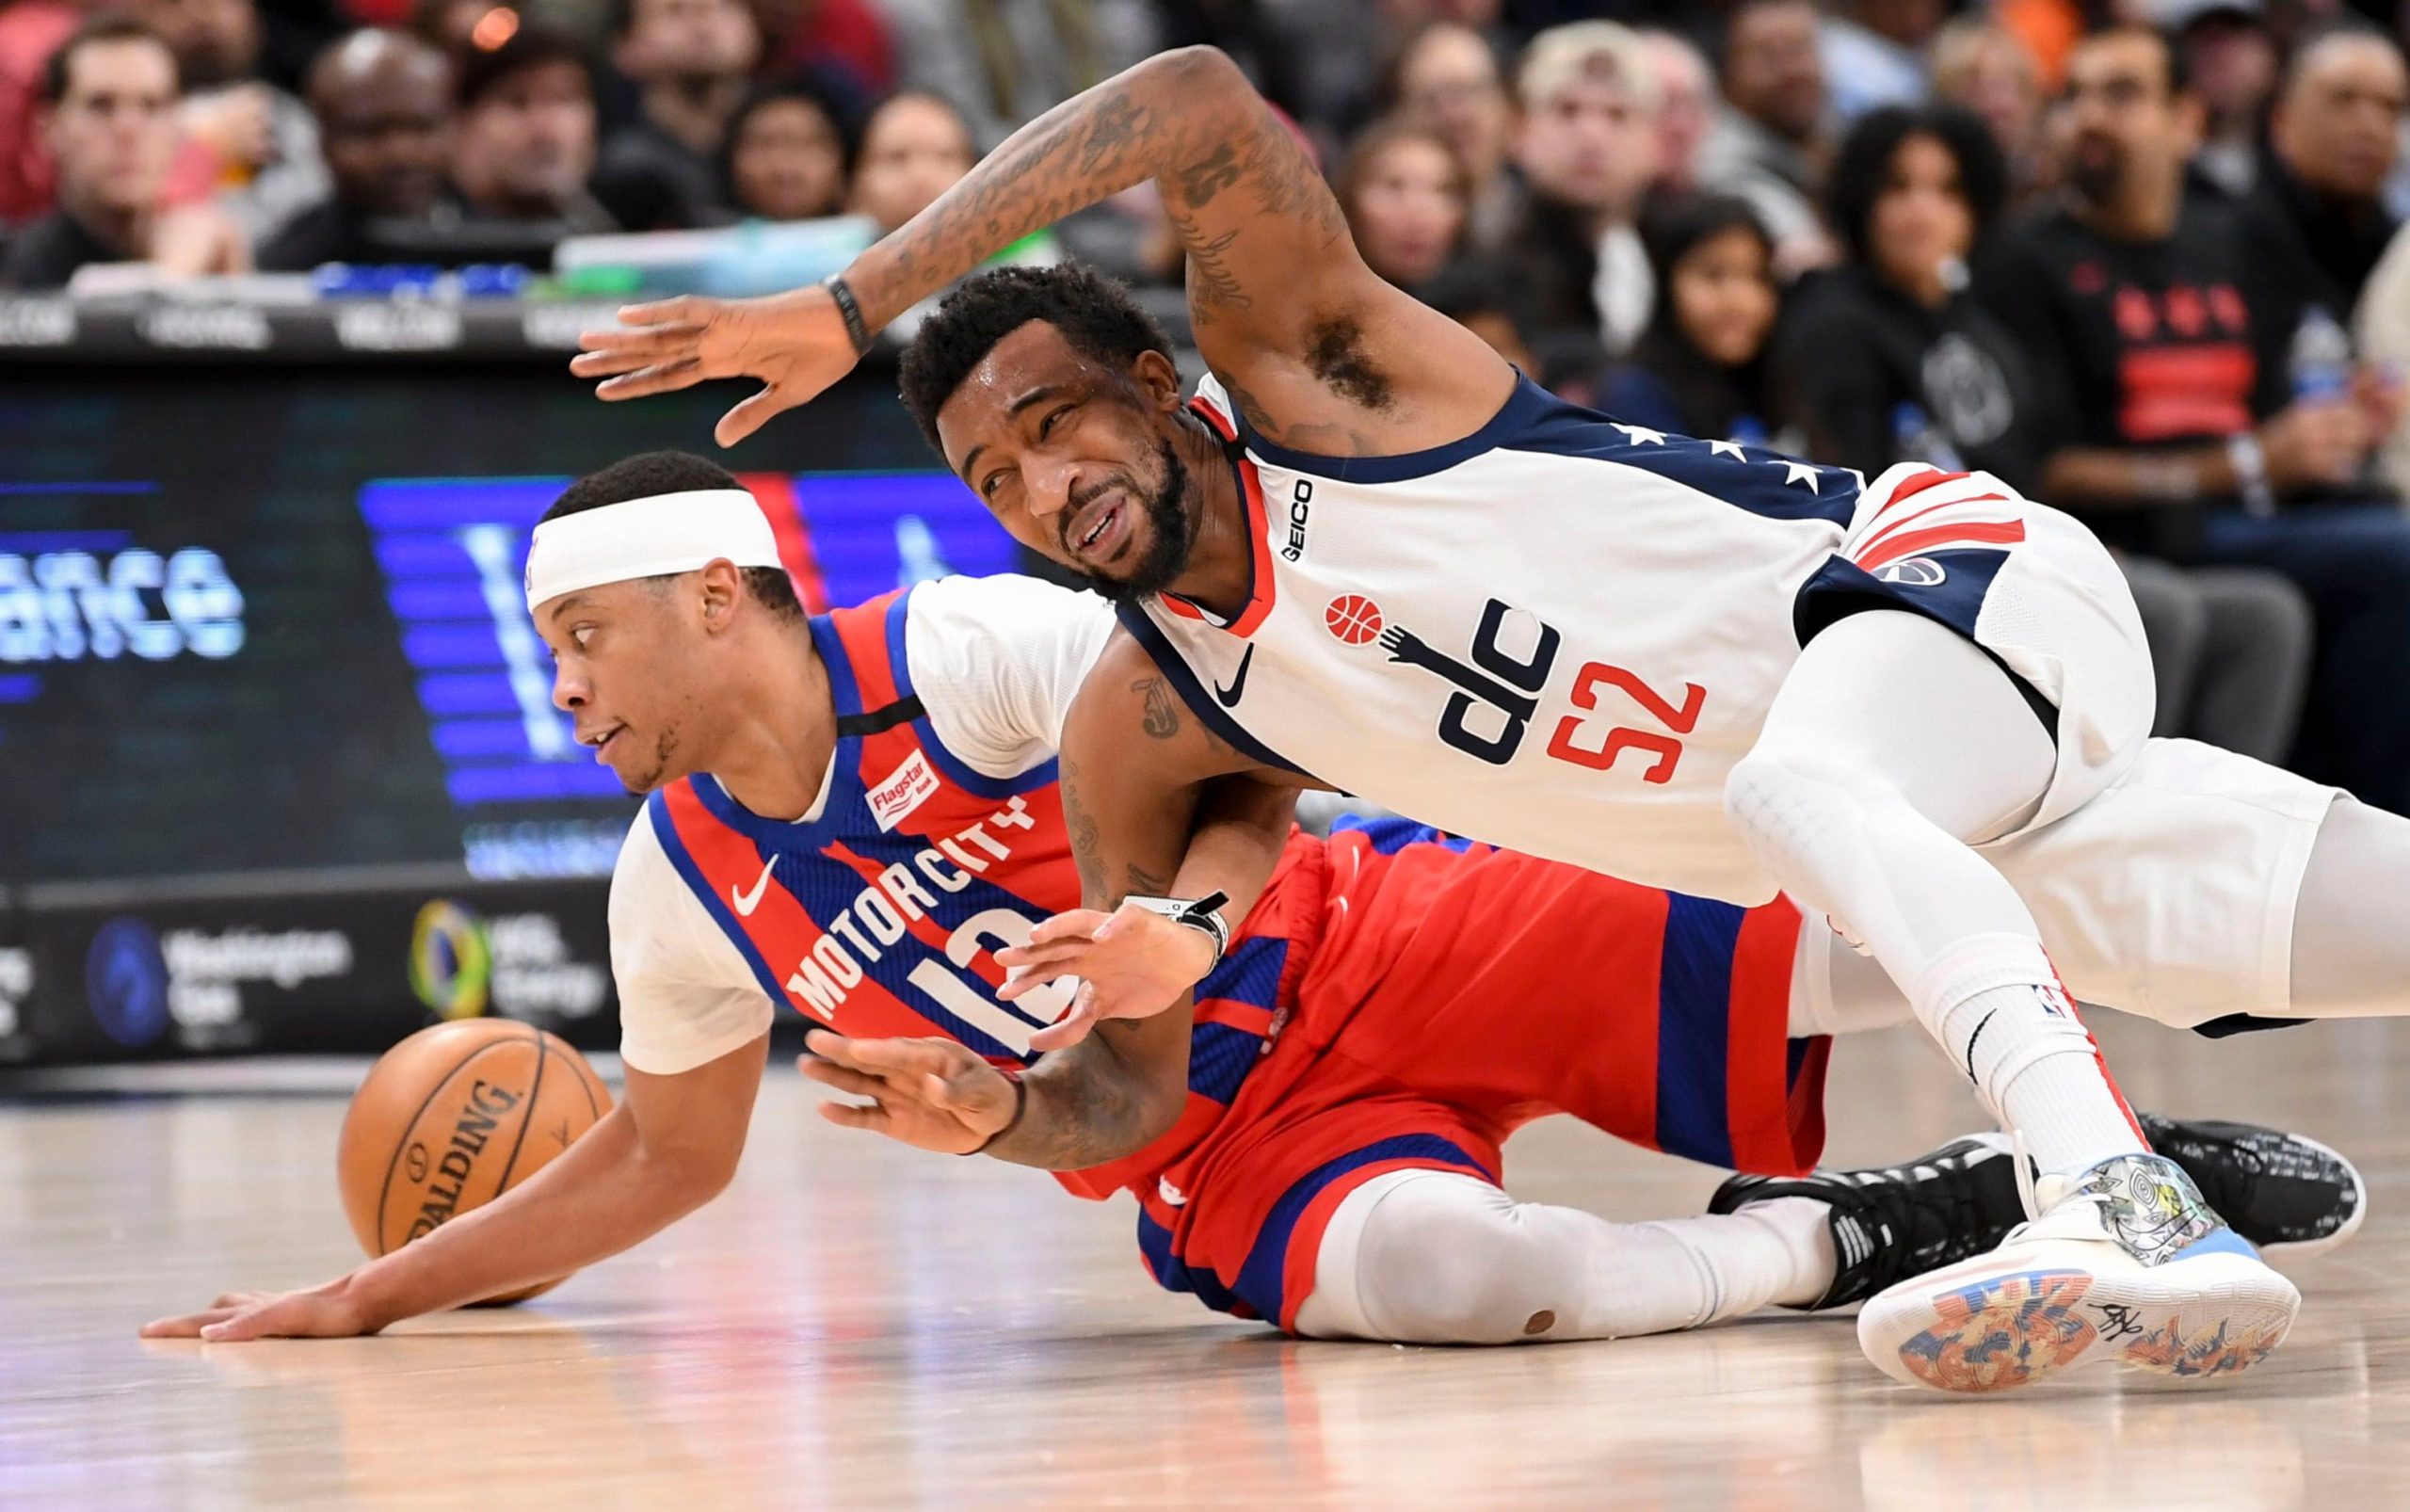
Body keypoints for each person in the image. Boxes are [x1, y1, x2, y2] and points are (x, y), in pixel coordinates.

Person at [573, 44, 2410, 1392]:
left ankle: (2111, 1194)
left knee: (1802, 787)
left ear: (1158, 384)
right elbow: (1131, 1090)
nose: (1046, 485)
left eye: (1057, 425)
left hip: (1939, 580)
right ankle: (2076, 1174)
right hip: (1929, 808)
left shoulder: (1318, 381)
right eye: (996, 477)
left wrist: (853, 299)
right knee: (2340, 925)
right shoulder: (1146, 711)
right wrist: (1011, 1098)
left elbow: (1196, 101)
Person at [141, 449, 2362, 1354]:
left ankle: (2156, 1066)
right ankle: (1885, 1226)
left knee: (1886, 917)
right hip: (1205, 1135)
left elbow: (1248, 745)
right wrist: (371, 1294)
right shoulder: (678, 888)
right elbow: (660, 1150)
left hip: (1388, 922)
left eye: (580, 640)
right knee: (1465, 1282)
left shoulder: (960, 651)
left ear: (720, 594)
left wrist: (1184, 922)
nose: (560, 690)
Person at [1787, 102, 2308, 762]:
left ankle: (2219, 818)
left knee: (2265, 615)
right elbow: (1854, 494)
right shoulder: (1836, 321)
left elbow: (2025, 471)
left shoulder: (1976, 321)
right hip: (1926, 575)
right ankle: (2113, 815)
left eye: (1947, 191)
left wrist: (2072, 550)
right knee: (2160, 611)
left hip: (2023, 553)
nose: (1923, 211)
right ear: (1861, 201)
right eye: (1899, 189)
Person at [1974, 26, 2410, 809]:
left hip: (2252, 513)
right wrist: (2241, 464)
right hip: (2137, 528)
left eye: (2122, 95)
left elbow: (2279, 402)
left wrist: (2343, 418)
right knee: (2389, 556)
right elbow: (2044, 468)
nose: (2090, 117)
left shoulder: (2233, 242)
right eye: (2074, 97)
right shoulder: (2023, 261)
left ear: (2187, 120)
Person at [1, 14, 245, 288]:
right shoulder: (16, 268)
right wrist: (171, 275)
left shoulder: (206, 241)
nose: (128, 130)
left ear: (178, 128)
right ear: (49, 130)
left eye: (151, 106)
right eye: (101, 106)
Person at [2234, 23, 2407, 369]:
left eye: (2389, 107)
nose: (2370, 126)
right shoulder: (2230, 247)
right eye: (2343, 99)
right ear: (2282, 120)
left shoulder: (2400, 250)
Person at [1501, 21, 1662, 364]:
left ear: (1655, 142)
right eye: (1567, 110)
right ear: (1519, 131)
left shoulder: (1679, 261)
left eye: (1617, 114)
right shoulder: (1483, 268)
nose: (1592, 136)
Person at [131, 0, 326, 245]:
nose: (201, 15)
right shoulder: (126, 125)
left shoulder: (297, 117)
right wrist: (201, 149)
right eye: (174, 3)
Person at [256, 29, 452, 271]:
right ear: (322, 139)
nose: (401, 154)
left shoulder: (491, 237)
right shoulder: (285, 266)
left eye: (421, 127)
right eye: (368, 132)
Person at [1600, 195, 1784, 446]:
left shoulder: (1779, 388)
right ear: (1664, 283)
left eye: (1758, 276)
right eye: (1713, 275)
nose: (1740, 300)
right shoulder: (1636, 399)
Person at [1695, 0, 1839, 277]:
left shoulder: (1835, 140)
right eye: (1769, 55)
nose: (1794, 70)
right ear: (1727, 76)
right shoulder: (1722, 176)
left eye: (1801, 49)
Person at [590, 0, 763, 231]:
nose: (703, 22)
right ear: (624, 45)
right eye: (675, 9)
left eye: (723, 5)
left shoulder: (799, 134)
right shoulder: (619, 170)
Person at [445, 24, 616, 232]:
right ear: (463, 122)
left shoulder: (617, 231)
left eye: (562, 99)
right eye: (516, 103)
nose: (543, 130)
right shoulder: (422, 229)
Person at [1378, 21, 1518, 252]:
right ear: (1399, 114)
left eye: (1472, 91)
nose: (1457, 115)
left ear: (1505, 104)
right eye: (1433, 98)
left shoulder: (1544, 216)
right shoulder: (1374, 243)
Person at [1333, 119, 1466, 292]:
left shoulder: (1485, 298)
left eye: (1441, 190)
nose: (1418, 216)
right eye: (1393, 186)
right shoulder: (1313, 296)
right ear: (1349, 201)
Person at [720, 74, 855, 223]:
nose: (785, 170)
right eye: (766, 145)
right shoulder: (703, 233)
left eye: (805, 145)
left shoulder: (869, 233)